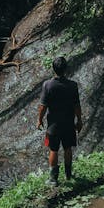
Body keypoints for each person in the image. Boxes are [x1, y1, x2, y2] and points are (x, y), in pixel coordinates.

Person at [37, 56, 82, 186]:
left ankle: (53, 179)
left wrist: (39, 120)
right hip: (68, 123)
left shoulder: (48, 85)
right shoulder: (73, 85)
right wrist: (79, 120)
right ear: (66, 69)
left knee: (53, 149)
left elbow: (43, 106)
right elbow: (77, 106)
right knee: (68, 148)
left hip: (53, 125)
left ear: (53, 69)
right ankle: (68, 175)